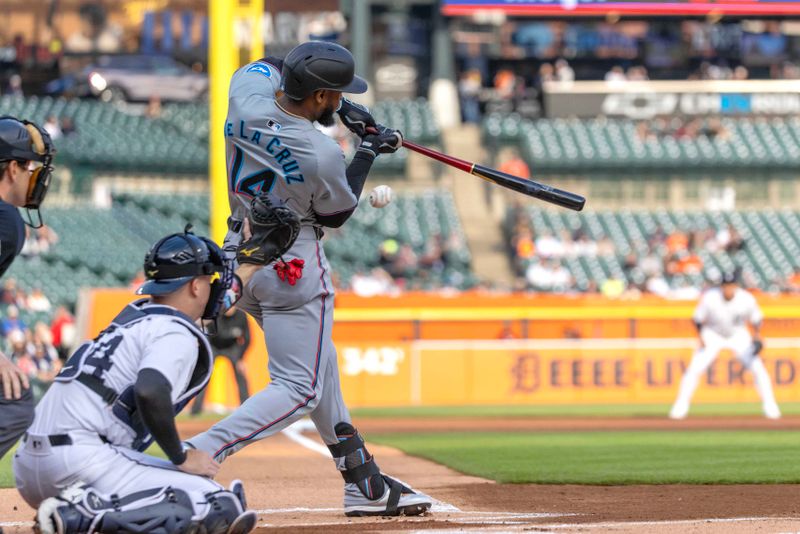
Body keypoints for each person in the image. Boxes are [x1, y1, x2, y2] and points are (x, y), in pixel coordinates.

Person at [185, 41, 432, 517]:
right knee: (300, 386)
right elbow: (337, 214)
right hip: (292, 260)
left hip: (239, 250)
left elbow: (273, 66)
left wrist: (346, 110)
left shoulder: (245, 94)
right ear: (319, 96)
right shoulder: (320, 151)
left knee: (322, 365)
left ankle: (363, 482)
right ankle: (202, 452)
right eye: (335, 94)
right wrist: (368, 150)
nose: (340, 100)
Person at [13, 228, 258, 534]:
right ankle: (85, 514)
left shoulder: (134, 319)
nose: (213, 289)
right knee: (219, 504)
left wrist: (252, 264)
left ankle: (81, 507)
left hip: (31, 464)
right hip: (80, 461)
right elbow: (150, 390)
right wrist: (180, 457)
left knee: (190, 494)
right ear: (196, 286)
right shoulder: (173, 330)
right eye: (209, 282)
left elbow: (209, 307)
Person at [0, 116, 56, 460]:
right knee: (15, 399)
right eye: (30, 165)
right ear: (12, 169)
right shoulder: (6, 220)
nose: (35, 174)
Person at [669, 272, 781, 420]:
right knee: (695, 369)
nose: (728, 288)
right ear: (721, 286)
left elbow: (756, 319)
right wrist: (700, 337)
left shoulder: (746, 299)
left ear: (736, 286)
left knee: (758, 368)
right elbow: (697, 319)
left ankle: (770, 406)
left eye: (731, 285)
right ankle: (680, 407)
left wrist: (757, 335)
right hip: (712, 334)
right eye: (725, 285)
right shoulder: (710, 297)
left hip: (738, 335)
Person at [191, 307, 251, 415]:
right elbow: (210, 334)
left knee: (241, 375)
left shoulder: (241, 316)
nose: (229, 308)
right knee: (205, 375)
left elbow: (247, 338)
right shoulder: (216, 314)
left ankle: (246, 409)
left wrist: (241, 358)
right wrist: (206, 356)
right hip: (214, 346)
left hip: (232, 347)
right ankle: (196, 410)